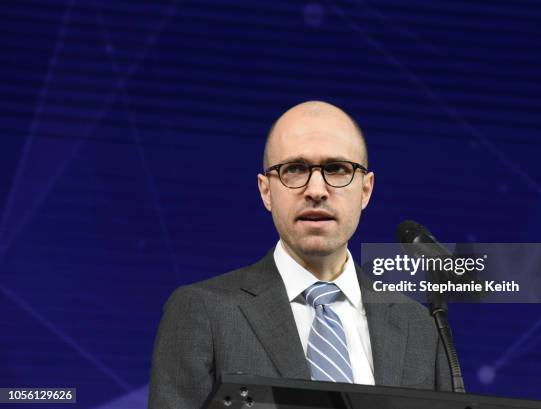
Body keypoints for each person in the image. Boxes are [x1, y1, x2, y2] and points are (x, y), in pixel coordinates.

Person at [148, 101, 451, 409]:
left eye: (337, 169)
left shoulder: (420, 325)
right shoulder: (203, 310)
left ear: (366, 190)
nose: (316, 190)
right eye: (294, 169)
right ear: (266, 191)